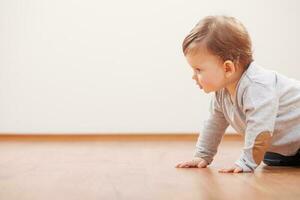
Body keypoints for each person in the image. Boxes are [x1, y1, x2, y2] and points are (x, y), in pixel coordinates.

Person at [175, 15, 300, 173]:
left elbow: (260, 129)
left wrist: (246, 163)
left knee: (259, 146)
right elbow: (214, 124)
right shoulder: (222, 92)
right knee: (268, 155)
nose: (193, 76)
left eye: (198, 70)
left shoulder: (258, 86)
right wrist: (202, 155)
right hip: (291, 143)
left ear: (228, 68)